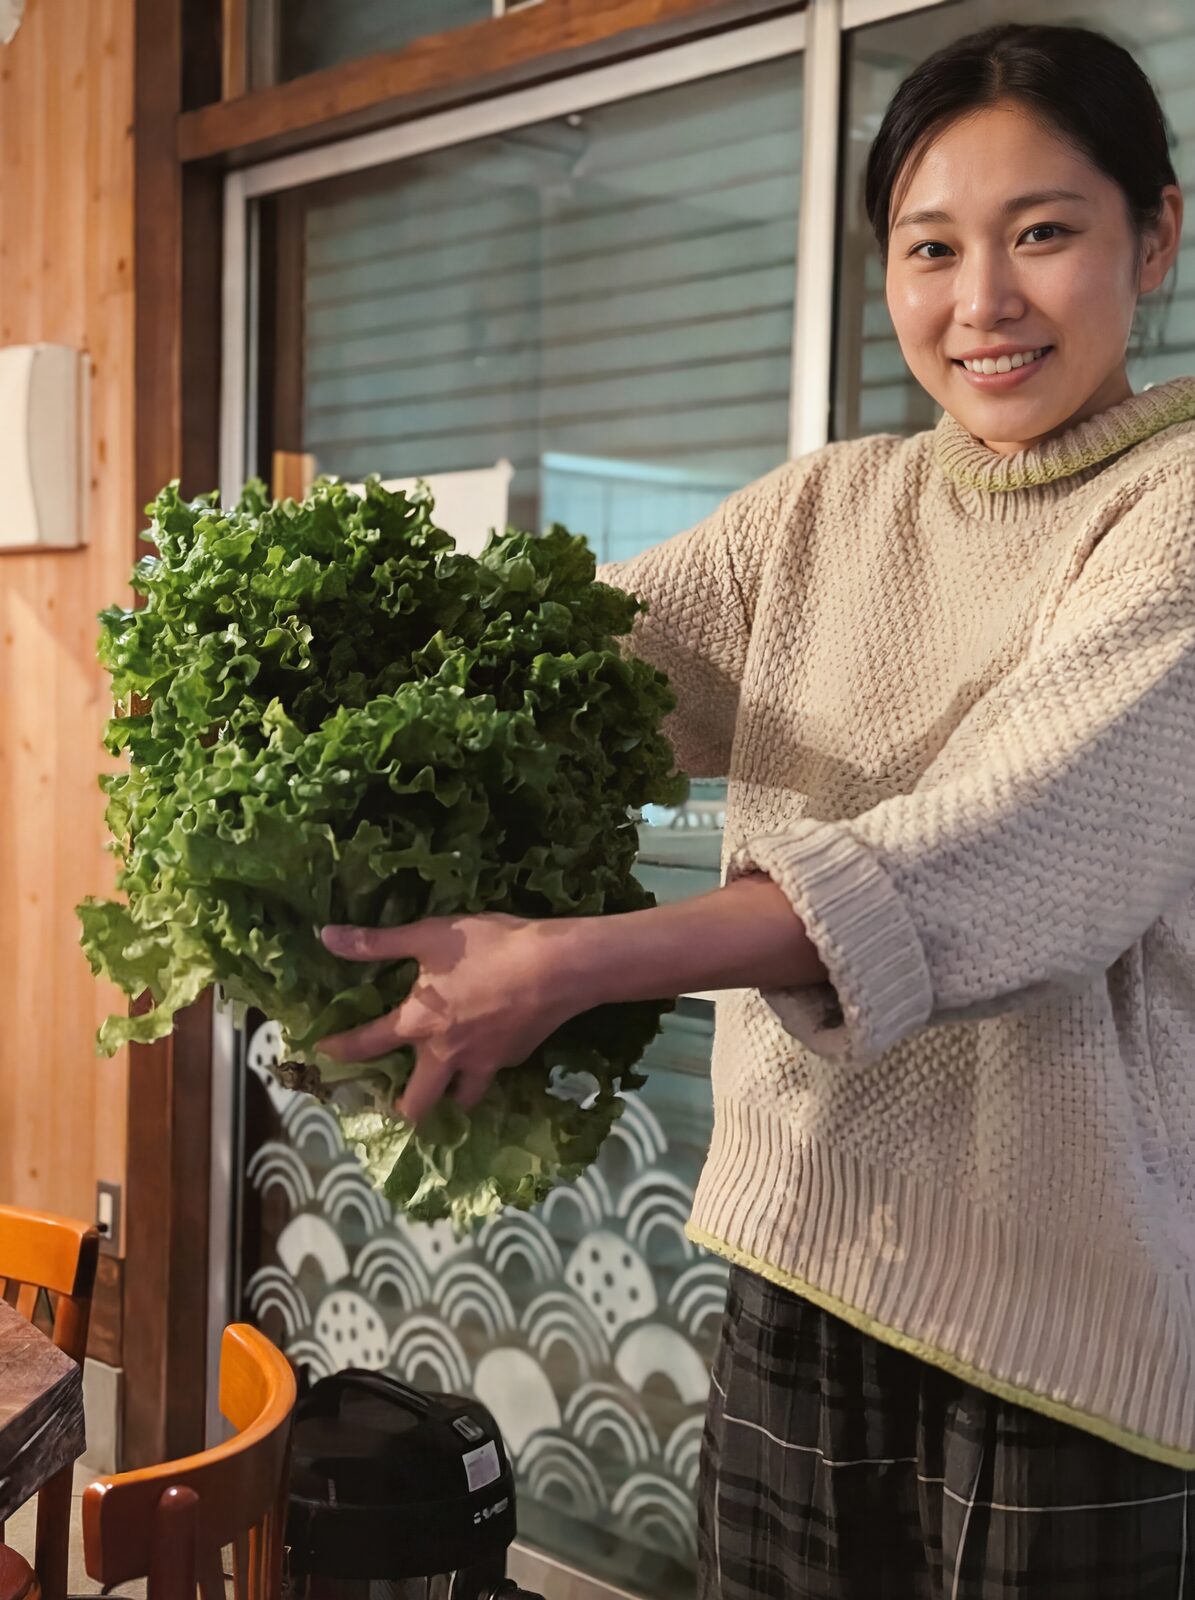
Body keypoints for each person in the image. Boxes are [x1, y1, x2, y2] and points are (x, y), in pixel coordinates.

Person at [317, 22, 1195, 1597]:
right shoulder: (826, 510)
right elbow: (570, 672)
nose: (981, 302)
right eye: (931, 248)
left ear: (1157, 237)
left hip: (1067, 1328)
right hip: (800, 1261)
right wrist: (326, 682)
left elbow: (1014, 839)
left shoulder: (1175, 511)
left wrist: (576, 958)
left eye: (1043, 233)